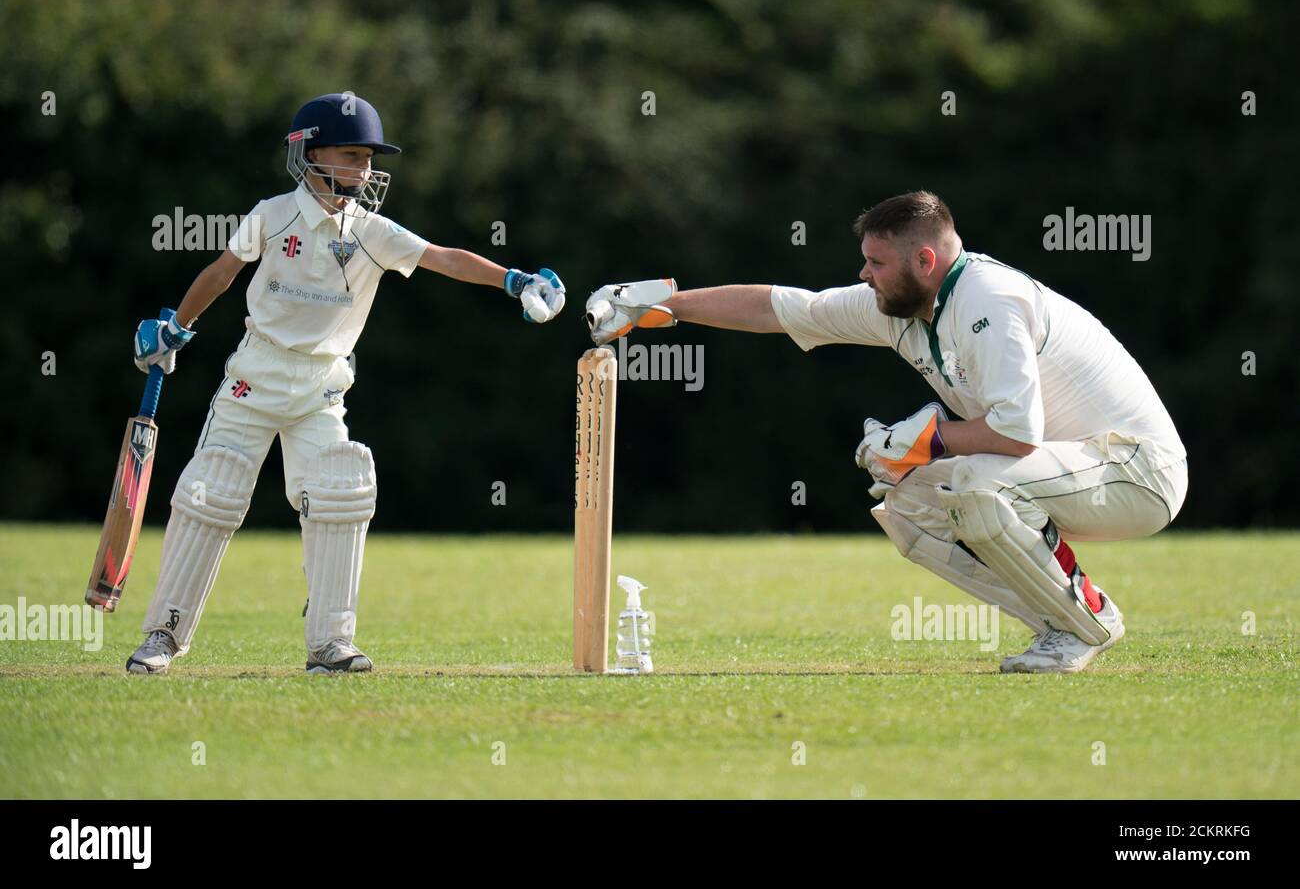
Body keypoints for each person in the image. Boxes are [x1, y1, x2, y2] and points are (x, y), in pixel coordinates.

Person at [585, 191, 1187, 673]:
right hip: (1066, 469)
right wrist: (660, 305)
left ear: (925, 261)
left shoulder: (988, 301)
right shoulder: (897, 306)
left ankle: (1086, 621)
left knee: (975, 484)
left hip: (1137, 471)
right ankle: (1063, 625)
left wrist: (928, 440)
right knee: (910, 506)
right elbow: (782, 307)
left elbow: (1017, 431)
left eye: (876, 262)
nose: (864, 274)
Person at [127, 93, 566, 675]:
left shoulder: (372, 232)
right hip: (255, 376)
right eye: (353, 155)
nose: (365, 170)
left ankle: (330, 644)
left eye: (369, 159)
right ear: (310, 151)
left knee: (340, 490)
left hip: (321, 386)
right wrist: (176, 329)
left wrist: (513, 280)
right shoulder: (272, 213)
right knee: (212, 491)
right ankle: (164, 634)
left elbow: (445, 258)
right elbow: (222, 272)